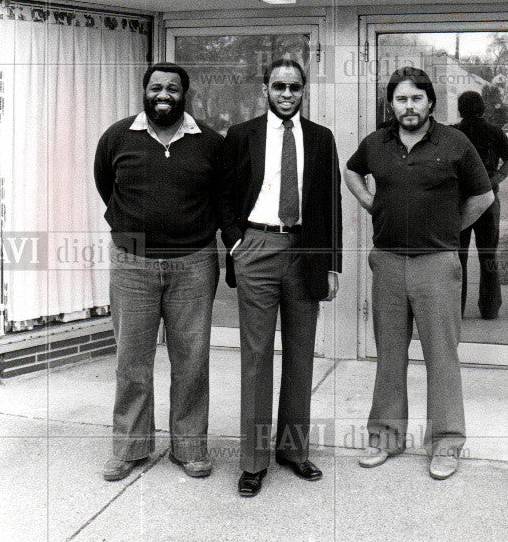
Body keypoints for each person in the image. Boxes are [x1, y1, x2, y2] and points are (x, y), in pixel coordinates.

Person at [344, 67, 494, 480]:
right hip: (388, 262)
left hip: (436, 265)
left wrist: (450, 229)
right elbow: (351, 171)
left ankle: (446, 444)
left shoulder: (455, 142)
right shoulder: (376, 143)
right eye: (400, 99)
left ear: (430, 102)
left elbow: (484, 195)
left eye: (416, 99)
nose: (408, 107)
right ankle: (385, 438)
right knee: (389, 356)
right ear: (390, 104)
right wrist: (371, 203)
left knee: (441, 357)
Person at [94, 63, 223, 482]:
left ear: (185, 94)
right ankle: (130, 448)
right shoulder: (117, 137)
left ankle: (189, 448)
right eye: (155, 87)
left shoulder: (209, 142)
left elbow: (224, 196)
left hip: (194, 263)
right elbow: (104, 185)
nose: (163, 93)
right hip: (132, 262)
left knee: (192, 360)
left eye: (172, 87)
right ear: (144, 91)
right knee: (132, 361)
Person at [220, 57, 342, 497]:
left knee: (300, 355)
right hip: (256, 247)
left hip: (305, 252)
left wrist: (331, 264)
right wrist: (236, 243)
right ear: (265, 89)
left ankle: (292, 450)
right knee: (255, 357)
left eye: (294, 87)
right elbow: (225, 195)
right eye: (278, 87)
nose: (286, 94)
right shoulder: (241, 136)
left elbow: (330, 204)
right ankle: (253, 461)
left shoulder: (321, 139)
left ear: (304, 90)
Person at [455, 91, 508, 319]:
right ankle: (490, 309)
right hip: (489, 199)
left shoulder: (454, 132)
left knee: (458, 256)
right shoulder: (494, 131)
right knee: (488, 255)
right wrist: (496, 178)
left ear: (460, 109)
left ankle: (456, 310)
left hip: (460, 201)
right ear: (483, 108)